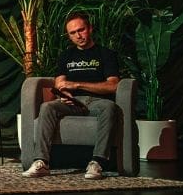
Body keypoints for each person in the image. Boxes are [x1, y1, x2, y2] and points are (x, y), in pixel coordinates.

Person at [23, 11, 121, 180]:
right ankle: (41, 162)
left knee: (110, 107)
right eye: (73, 33)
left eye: (81, 30)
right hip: (72, 103)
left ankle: (97, 162)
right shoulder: (66, 56)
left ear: (89, 29)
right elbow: (60, 83)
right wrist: (65, 93)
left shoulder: (106, 54)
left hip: (97, 102)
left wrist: (77, 84)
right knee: (47, 107)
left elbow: (113, 85)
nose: (78, 35)